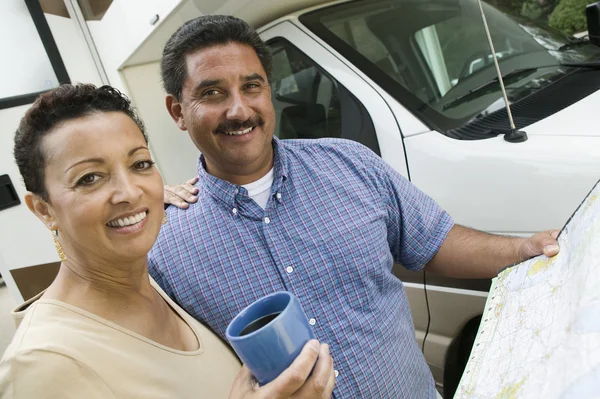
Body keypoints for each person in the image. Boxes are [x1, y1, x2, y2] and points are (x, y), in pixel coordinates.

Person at [149, 15, 560, 398]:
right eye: (212, 93)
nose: (239, 110)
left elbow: (435, 241)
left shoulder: (349, 162)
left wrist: (519, 250)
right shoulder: (163, 246)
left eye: (251, 86)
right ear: (178, 112)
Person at [0, 84, 335, 399]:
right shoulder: (43, 364)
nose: (130, 192)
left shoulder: (153, 287)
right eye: (90, 178)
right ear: (44, 210)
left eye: (140, 164)